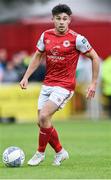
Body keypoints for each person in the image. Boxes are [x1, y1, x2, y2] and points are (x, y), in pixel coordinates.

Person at [20, 4, 100, 166]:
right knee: (42, 122)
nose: (62, 22)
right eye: (58, 19)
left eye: (65, 19)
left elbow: (95, 57)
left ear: (69, 20)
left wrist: (93, 83)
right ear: (53, 20)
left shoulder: (77, 39)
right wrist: (26, 76)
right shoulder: (45, 35)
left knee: (43, 116)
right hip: (48, 83)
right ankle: (60, 152)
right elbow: (37, 56)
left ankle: (40, 153)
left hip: (65, 85)